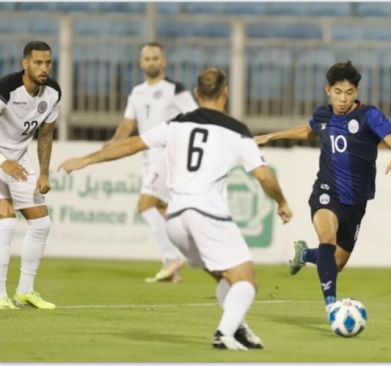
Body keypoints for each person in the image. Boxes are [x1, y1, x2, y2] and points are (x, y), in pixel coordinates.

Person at [59, 67, 293, 350]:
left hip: (175, 219)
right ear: (226, 93)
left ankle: (237, 326)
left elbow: (131, 144)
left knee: (226, 276)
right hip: (207, 214)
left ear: (196, 94)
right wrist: (281, 202)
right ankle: (224, 333)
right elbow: (265, 177)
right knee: (247, 282)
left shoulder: (176, 124)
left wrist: (85, 159)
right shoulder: (237, 131)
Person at [255, 61, 391, 319]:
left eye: (349, 93)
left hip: (356, 201)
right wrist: (271, 136)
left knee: (335, 263)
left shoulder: (369, 115)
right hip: (326, 192)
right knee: (327, 238)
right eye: (338, 92)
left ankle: (303, 254)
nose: (342, 98)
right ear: (328, 90)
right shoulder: (323, 115)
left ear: (356, 92)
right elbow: (307, 131)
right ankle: (331, 307)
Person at [105, 42, 198, 283]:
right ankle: (193, 255)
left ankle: (170, 257)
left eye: (156, 58)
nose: (151, 62)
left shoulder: (175, 89)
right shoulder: (136, 92)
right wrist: (114, 144)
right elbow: (128, 123)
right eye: (147, 58)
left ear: (163, 61)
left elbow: (197, 117)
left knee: (145, 204)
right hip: (148, 157)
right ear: (140, 63)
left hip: (168, 155)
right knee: (164, 210)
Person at [0, 41, 60, 310]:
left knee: (41, 224)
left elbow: (45, 134)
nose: (44, 68)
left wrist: (44, 173)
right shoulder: (6, 88)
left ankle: (25, 291)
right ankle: (0, 295)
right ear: (25, 64)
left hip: (20, 160)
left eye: (47, 62)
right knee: (6, 223)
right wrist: (3, 162)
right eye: (37, 62)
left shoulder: (53, 93)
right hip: (1, 157)